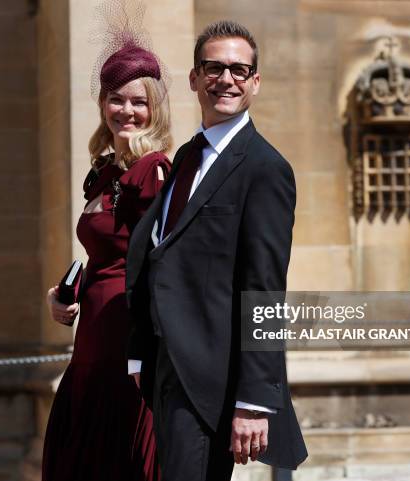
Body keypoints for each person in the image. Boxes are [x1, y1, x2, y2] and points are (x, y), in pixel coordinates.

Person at [126, 20, 308, 481]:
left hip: (215, 379)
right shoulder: (188, 155)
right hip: (167, 368)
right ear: (194, 78)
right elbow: (160, 253)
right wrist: (140, 353)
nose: (226, 79)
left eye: (239, 71)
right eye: (214, 68)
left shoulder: (266, 169)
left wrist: (254, 401)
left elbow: (265, 290)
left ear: (255, 82)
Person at [41, 9, 172, 480]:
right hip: (91, 337)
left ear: (154, 106)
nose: (127, 111)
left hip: (125, 339)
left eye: (138, 101)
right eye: (116, 100)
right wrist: (65, 294)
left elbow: (156, 264)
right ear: (102, 104)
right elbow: (104, 253)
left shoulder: (152, 170)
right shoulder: (103, 171)